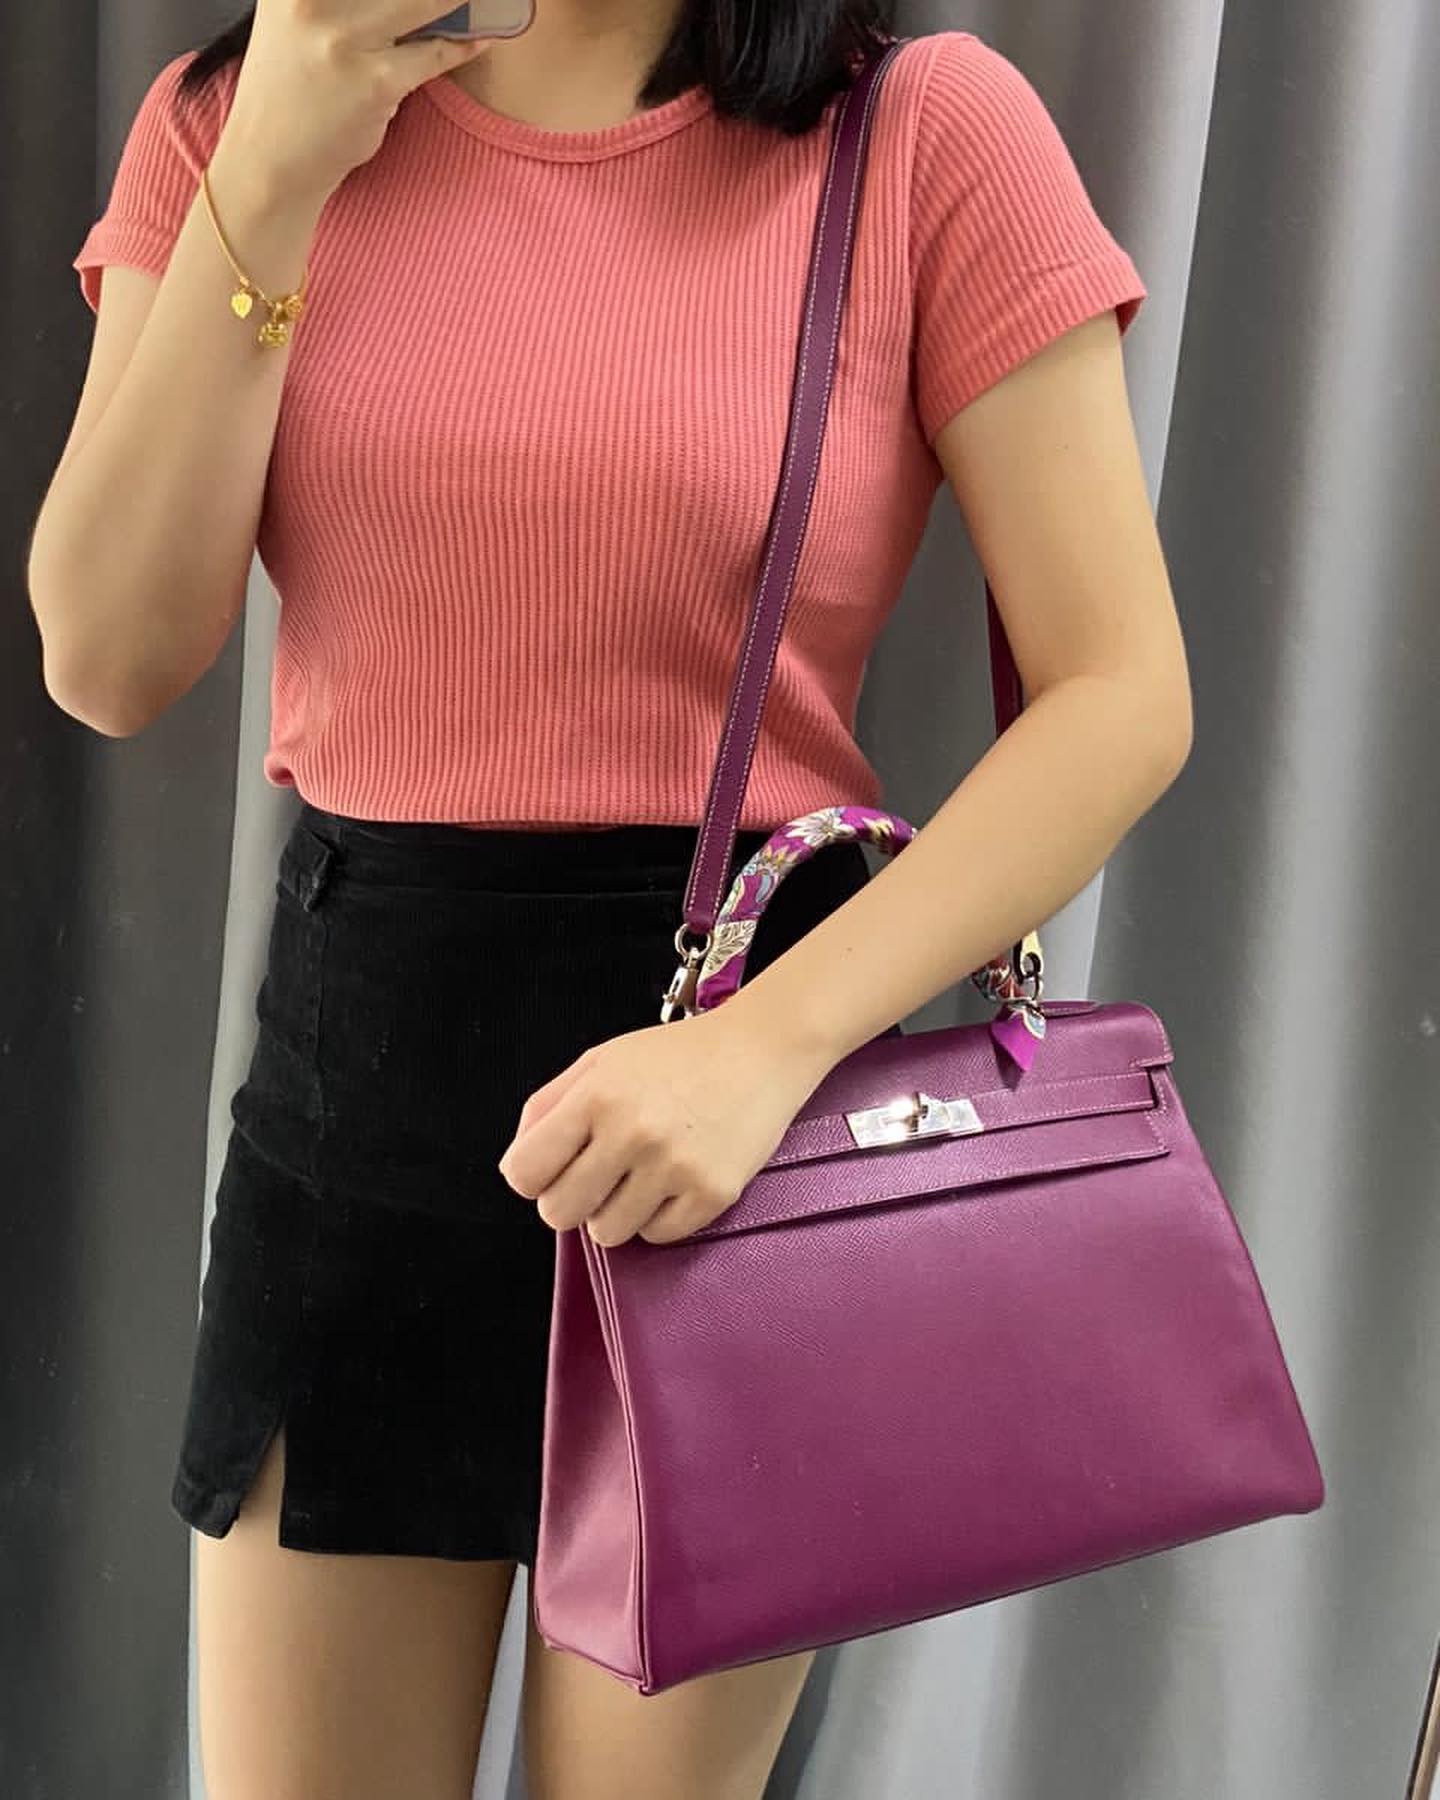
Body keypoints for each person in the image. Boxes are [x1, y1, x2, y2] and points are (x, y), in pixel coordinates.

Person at [28, 1, 1189, 1794]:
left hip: (744, 1125)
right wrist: (275, 160)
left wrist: (766, 1051)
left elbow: (1121, 692)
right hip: (364, 1094)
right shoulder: (238, 118)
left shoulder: (915, 131)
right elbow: (108, 657)